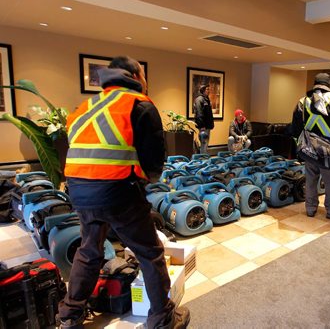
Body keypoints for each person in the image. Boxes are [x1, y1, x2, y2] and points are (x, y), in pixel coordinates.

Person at [59, 56, 190, 329]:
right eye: (144, 74)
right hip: (117, 190)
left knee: (89, 250)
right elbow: (154, 160)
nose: (146, 80)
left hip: (79, 190)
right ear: (134, 75)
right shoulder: (139, 104)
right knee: (150, 252)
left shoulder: (85, 106)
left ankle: (69, 316)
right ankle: (163, 318)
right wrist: (144, 184)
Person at [291, 73, 330, 219]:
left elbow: (295, 127)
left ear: (315, 84)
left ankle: (311, 208)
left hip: (310, 150)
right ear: (328, 84)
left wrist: (300, 144)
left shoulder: (303, 101)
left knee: (311, 180)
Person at [194, 84, 215, 154]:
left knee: (206, 142)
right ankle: (203, 158)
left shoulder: (207, 99)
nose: (209, 91)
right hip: (203, 126)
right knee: (204, 142)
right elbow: (199, 113)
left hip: (208, 125)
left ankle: (204, 156)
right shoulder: (199, 99)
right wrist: (202, 125)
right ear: (203, 90)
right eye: (207, 89)